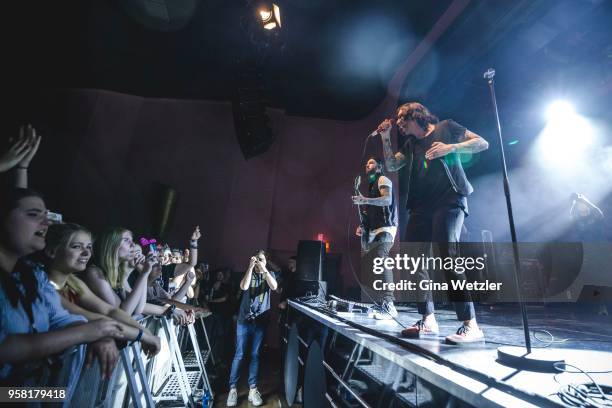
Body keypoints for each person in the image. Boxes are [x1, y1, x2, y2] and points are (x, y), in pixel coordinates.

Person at [378, 102, 489, 344]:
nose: (398, 123)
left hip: (450, 200)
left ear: (415, 115)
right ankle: (428, 320)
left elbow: (482, 142)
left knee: (447, 256)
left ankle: (471, 324)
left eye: (401, 118)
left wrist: (451, 147)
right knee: (414, 261)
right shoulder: (410, 145)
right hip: (421, 206)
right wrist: (386, 137)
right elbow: (392, 165)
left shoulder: (446, 127)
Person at [0, 188, 125, 393]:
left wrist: (100, 334)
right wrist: (87, 332)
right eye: (33, 215)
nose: (46, 223)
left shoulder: (33, 277)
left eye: (45, 216)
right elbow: (4, 348)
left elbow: (62, 319)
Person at [45, 223, 161, 357]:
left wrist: (145, 333)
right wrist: (142, 335)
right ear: (52, 251)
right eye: (76, 246)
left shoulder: (74, 283)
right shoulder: (46, 285)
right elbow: (104, 318)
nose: (86, 252)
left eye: (89, 247)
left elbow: (110, 311)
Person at [227, 250, 278, 407]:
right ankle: (233, 389)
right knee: (240, 354)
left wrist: (264, 269)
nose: (258, 262)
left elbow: (274, 287)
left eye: (261, 260)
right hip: (244, 320)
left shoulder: (270, 274)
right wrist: (250, 267)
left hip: (260, 322)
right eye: (256, 259)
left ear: (266, 261)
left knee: (255, 355)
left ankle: (252, 389)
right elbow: (243, 286)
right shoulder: (249, 271)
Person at [352, 157, 398, 319]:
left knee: (381, 258)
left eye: (370, 163)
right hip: (375, 229)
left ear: (379, 166)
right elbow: (371, 212)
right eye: (366, 164)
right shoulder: (372, 186)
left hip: (386, 227)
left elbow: (387, 199)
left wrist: (364, 199)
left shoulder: (383, 179)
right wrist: (362, 226)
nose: (367, 165)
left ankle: (390, 304)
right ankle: (382, 303)